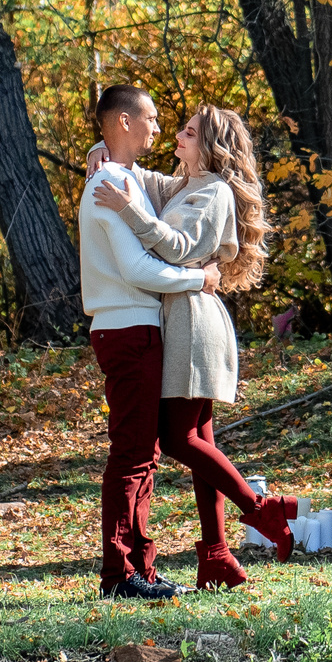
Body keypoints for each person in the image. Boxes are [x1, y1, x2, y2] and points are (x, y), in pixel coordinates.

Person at [88, 99, 294, 590]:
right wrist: (102, 147)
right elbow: (135, 171)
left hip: (193, 320)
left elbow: (177, 248)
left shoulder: (215, 190)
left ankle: (260, 508)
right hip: (181, 315)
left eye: (188, 132)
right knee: (201, 441)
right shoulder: (182, 184)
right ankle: (217, 555)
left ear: (210, 146)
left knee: (178, 438)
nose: (175, 136)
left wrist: (128, 210)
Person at [79, 85, 223, 600]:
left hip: (138, 327)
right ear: (124, 121)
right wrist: (199, 279)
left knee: (145, 454)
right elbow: (137, 268)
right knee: (133, 454)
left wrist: (98, 149)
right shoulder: (108, 183)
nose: (159, 129)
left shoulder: (126, 178)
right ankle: (120, 576)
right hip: (126, 329)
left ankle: (141, 570)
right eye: (153, 119)